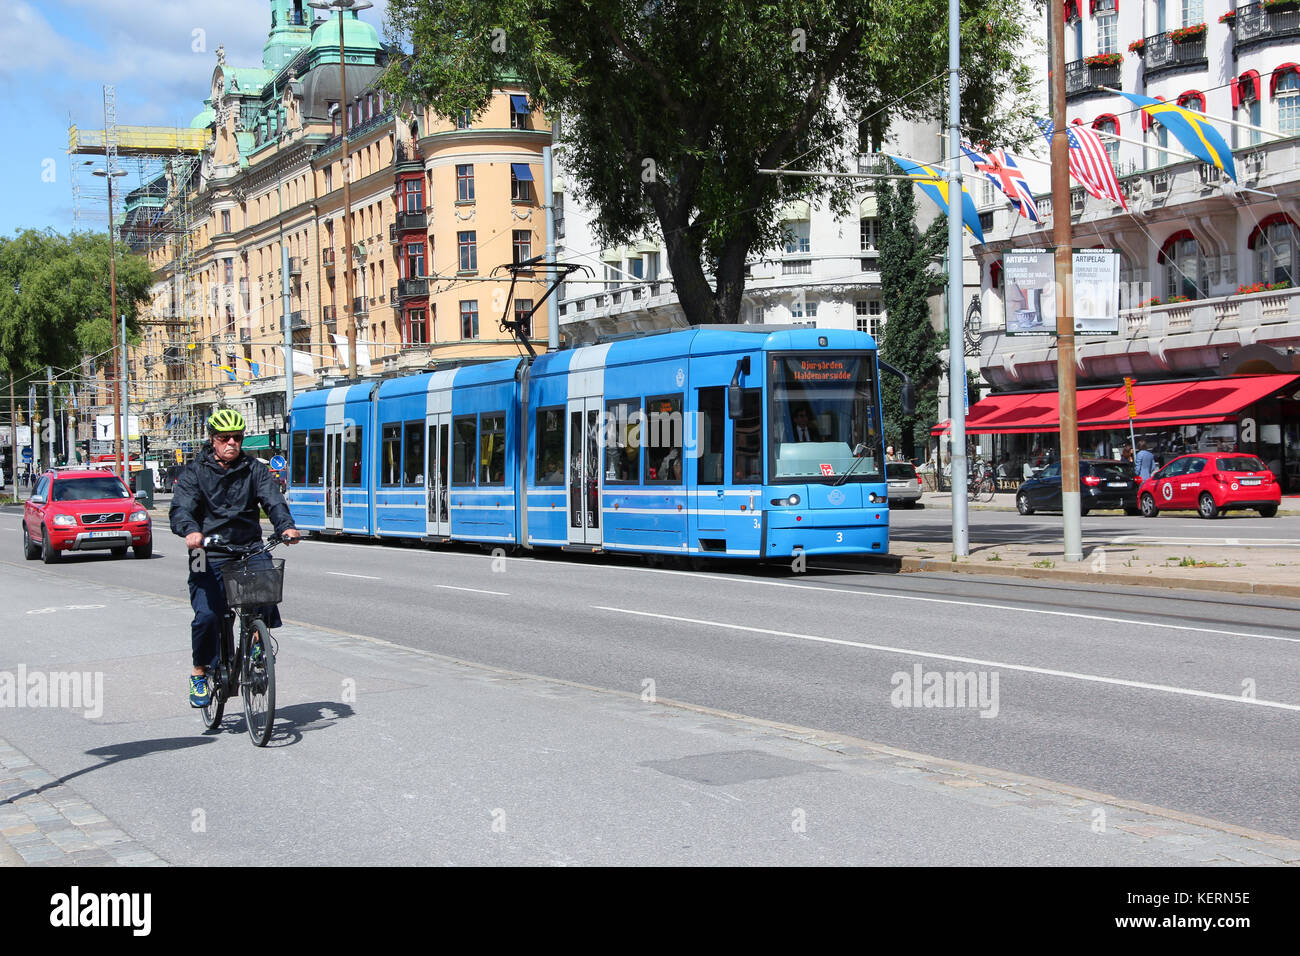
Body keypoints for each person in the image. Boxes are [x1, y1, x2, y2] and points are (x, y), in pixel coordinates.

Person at [170, 408, 300, 708]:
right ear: (212, 440)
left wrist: (286, 527)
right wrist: (190, 531)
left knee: (266, 593)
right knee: (208, 615)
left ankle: (256, 642)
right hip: (205, 551)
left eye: (237, 438)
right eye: (225, 438)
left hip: (248, 546)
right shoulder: (194, 472)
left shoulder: (254, 469)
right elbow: (182, 508)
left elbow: (274, 500)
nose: (232, 443)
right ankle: (200, 672)